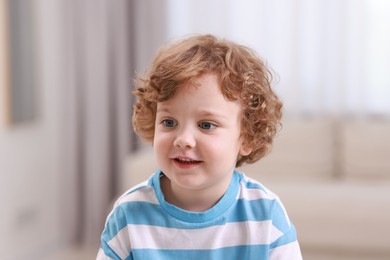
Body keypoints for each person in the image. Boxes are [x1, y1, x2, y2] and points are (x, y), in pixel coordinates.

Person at [97, 34, 302, 259]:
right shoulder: (128, 214)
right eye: (169, 122)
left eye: (206, 125)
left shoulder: (266, 215)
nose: (183, 139)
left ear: (247, 139)